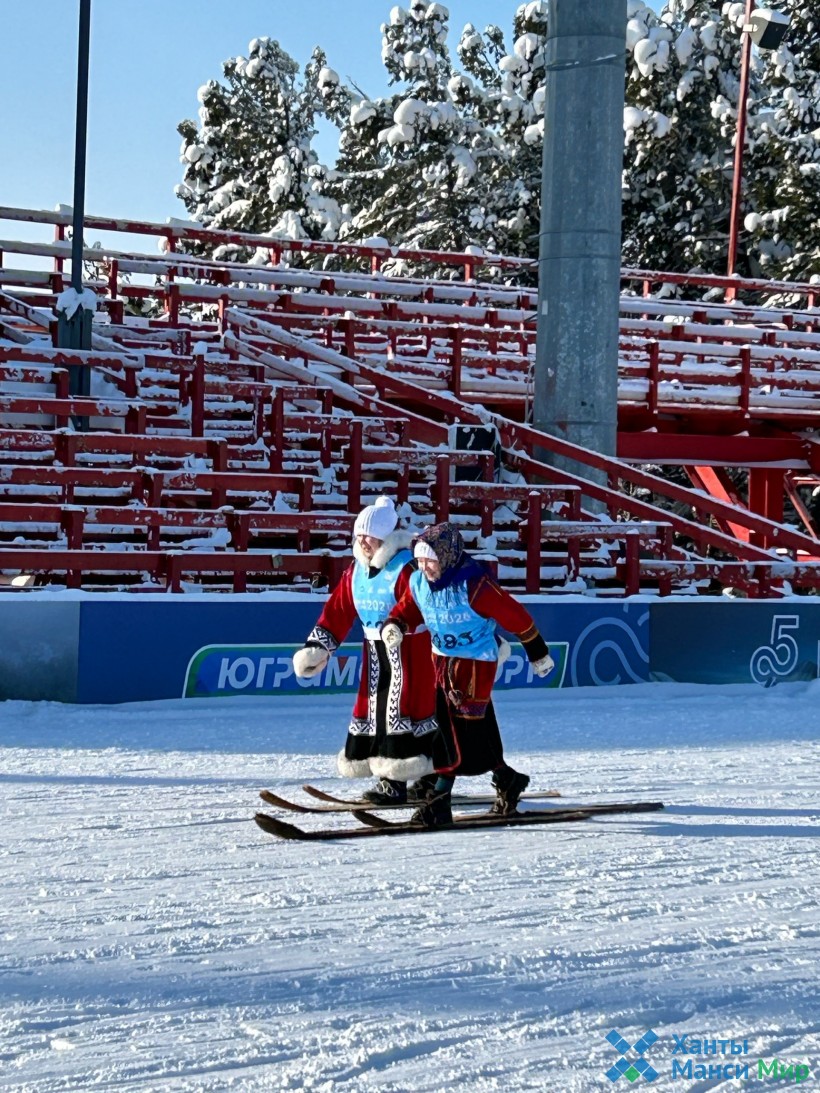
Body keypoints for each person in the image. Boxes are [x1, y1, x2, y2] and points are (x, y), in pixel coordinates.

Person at [382, 521, 554, 826]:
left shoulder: (475, 586)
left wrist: (537, 652)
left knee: (453, 731)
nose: (424, 568)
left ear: (447, 557)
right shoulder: (419, 582)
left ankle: (439, 799)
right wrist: (395, 624)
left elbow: (516, 616)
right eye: (419, 561)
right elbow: (408, 608)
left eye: (430, 561)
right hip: (441, 662)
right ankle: (507, 779)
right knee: (474, 729)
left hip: (474, 664)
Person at [292, 496, 438, 805]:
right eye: (359, 534)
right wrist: (318, 647)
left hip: (411, 653)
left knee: (405, 712)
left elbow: (423, 604)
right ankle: (414, 778)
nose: (362, 541)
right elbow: (338, 610)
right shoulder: (356, 571)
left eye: (368, 535)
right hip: (375, 653)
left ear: (384, 537)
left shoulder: (406, 567)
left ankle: (400, 781)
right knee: (375, 711)